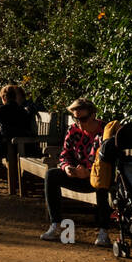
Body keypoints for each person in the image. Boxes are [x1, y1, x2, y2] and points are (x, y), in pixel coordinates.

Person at [39, 98, 111, 246]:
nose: (79, 123)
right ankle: (56, 224)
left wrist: (89, 172)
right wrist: (67, 168)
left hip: (98, 176)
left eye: (83, 119)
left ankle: (104, 231)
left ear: (93, 115)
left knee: (101, 183)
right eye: (75, 118)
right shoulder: (73, 130)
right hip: (78, 175)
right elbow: (65, 154)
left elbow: (108, 162)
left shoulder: (105, 132)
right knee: (51, 175)